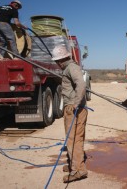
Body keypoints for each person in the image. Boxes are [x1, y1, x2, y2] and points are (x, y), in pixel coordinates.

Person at [52, 45, 88, 183]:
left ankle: (78, 171)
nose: (57, 64)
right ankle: (76, 165)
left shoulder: (71, 68)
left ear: (61, 60)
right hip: (77, 107)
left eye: (56, 62)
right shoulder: (70, 68)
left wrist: (76, 103)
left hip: (74, 109)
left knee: (72, 140)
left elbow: (81, 84)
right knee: (76, 139)